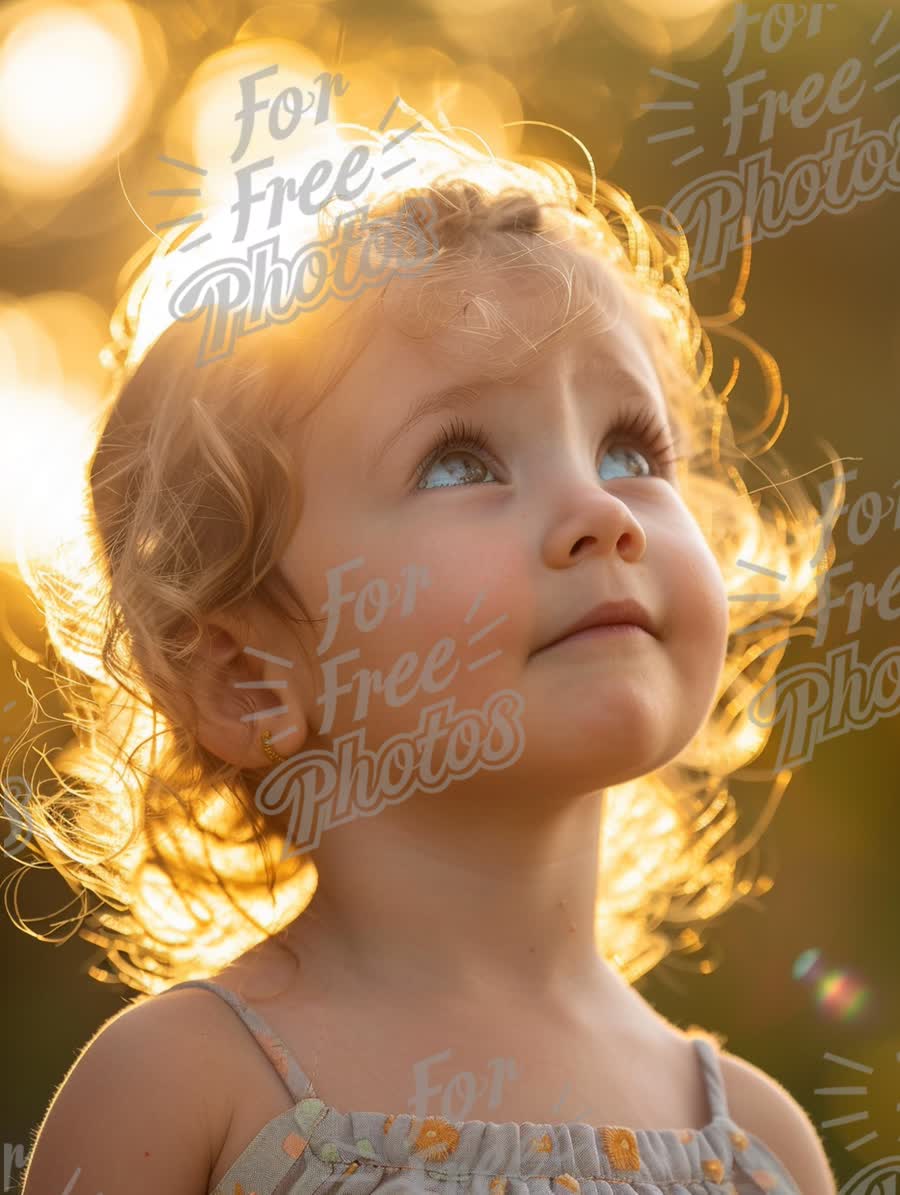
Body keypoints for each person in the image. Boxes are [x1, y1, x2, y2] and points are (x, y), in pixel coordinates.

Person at [11, 101, 840, 1195]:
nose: (602, 508)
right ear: (247, 673)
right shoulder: (185, 1090)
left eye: (631, 447)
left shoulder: (760, 1146)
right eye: (458, 462)